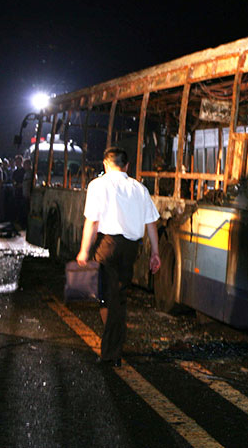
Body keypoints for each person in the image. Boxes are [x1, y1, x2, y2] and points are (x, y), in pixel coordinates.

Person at [76, 147, 161, 367]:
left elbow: (92, 222)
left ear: (105, 164)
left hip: (107, 246)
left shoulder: (97, 185)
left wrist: (85, 250)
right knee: (118, 297)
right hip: (131, 248)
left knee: (108, 298)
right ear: (127, 166)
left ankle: (110, 354)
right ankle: (113, 348)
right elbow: (151, 222)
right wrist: (155, 253)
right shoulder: (139, 188)